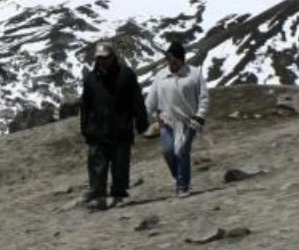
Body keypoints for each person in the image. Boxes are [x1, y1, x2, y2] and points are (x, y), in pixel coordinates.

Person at [80, 42, 149, 210]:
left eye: (105, 58)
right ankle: (98, 196)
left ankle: (119, 194)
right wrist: (85, 128)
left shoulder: (126, 75)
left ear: (113, 57)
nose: (102, 61)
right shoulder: (90, 79)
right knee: (97, 165)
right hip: (97, 130)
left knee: (120, 164)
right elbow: (86, 106)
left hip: (121, 128)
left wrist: (141, 122)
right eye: (99, 58)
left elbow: (136, 100)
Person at [144, 41, 209, 197]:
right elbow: (151, 101)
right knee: (168, 151)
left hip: (189, 121)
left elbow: (204, 98)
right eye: (168, 59)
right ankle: (179, 176)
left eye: (173, 59)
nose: (170, 63)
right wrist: (147, 116)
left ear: (181, 59)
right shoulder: (160, 76)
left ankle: (183, 186)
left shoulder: (194, 74)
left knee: (181, 151)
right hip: (166, 121)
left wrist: (200, 116)